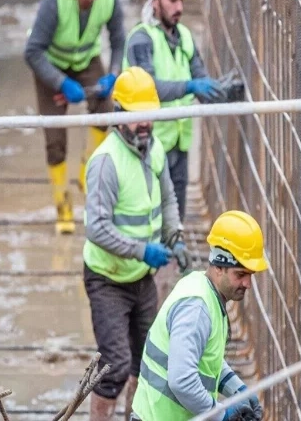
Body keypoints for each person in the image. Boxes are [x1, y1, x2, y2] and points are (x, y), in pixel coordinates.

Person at [83, 66, 185, 420]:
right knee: (114, 363)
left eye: (149, 117)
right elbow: (96, 228)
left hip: (140, 277)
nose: (145, 124)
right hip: (107, 279)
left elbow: (168, 197)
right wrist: (143, 250)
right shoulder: (106, 162)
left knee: (147, 359)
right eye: (137, 118)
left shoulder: (152, 147)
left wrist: (176, 236)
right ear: (119, 116)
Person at [24, 0, 126, 235]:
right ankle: (62, 205)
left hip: (86, 61)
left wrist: (114, 73)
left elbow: (119, 39)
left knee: (105, 109)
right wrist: (59, 83)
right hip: (51, 64)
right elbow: (32, 51)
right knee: (55, 139)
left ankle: (87, 170)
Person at [131, 210, 268, 421]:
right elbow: (182, 381)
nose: (247, 284)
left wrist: (237, 389)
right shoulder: (197, 309)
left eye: (250, 275)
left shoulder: (204, 289)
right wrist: (222, 414)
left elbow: (205, 358)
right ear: (219, 267)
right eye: (240, 275)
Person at [123, 0, 222, 222]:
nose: (179, 7)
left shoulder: (186, 37)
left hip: (178, 142)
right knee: (149, 212)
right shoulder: (141, 39)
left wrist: (222, 90)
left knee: (174, 214)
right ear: (155, 0)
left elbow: (201, 79)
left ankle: (173, 255)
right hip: (146, 142)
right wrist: (191, 85)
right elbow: (150, 88)